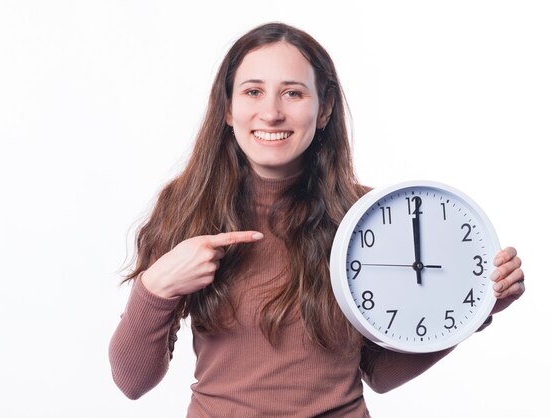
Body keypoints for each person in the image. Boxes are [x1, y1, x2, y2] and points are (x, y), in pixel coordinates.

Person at [109, 22, 525, 417]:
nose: (271, 113)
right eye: (253, 91)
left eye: (292, 93)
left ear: (324, 108)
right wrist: (156, 286)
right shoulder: (187, 208)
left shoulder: (371, 217)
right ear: (228, 109)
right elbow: (132, 382)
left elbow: (379, 372)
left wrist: (477, 307)